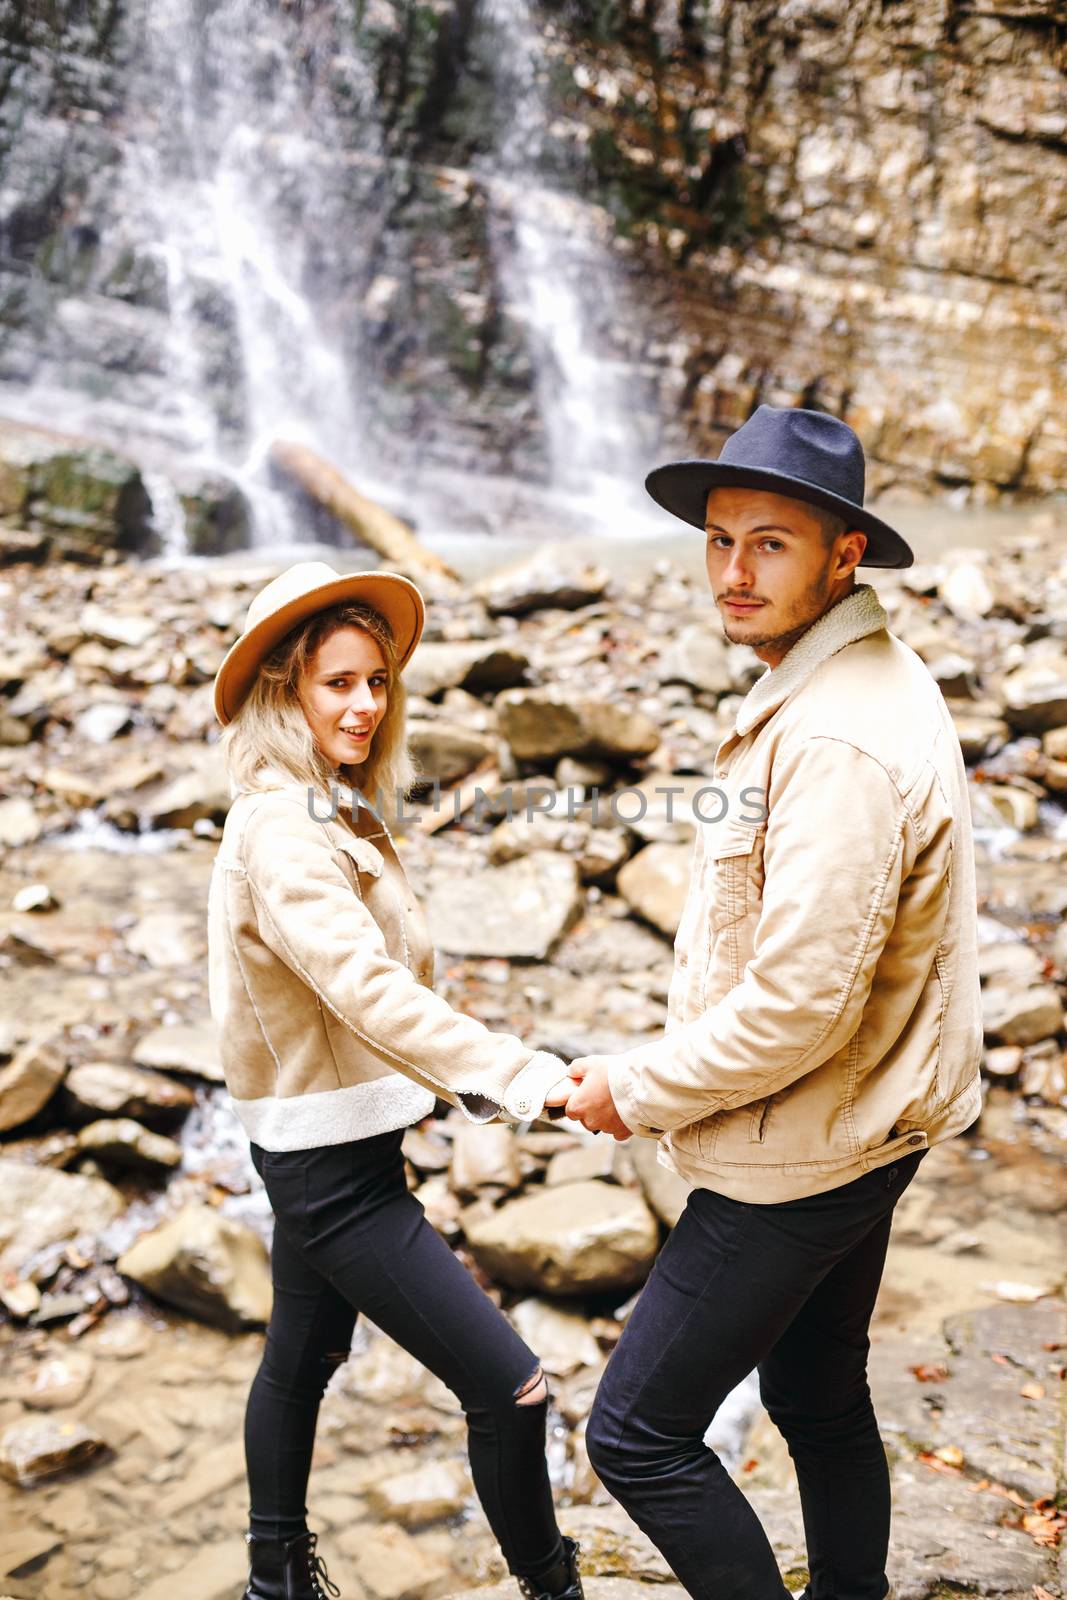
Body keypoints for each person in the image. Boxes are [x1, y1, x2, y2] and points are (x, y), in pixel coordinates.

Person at [546, 406, 983, 1600]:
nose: (732, 573)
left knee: (634, 1432)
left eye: (769, 545)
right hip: (870, 1124)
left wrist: (629, 1085)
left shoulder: (837, 736)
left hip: (801, 1151)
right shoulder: (855, 677)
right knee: (814, 1391)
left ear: (842, 555)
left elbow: (797, 1008)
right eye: (718, 540)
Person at [207, 561, 579, 1600]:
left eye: (376, 680)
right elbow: (364, 988)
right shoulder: (281, 828)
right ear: (283, 690)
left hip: (329, 1149)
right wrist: (521, 1077)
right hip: (331, 1174)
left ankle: (273, 1583)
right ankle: (554, 1590)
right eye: (336, 684)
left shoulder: (328, 806)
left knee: (299, 1358)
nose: (365, 703)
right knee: (512, 1390)